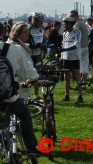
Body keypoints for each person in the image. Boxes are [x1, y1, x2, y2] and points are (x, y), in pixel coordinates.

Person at [0, 23, 44, 156]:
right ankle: (30, 147)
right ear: (3, 32)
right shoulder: (14, 48)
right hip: (7, 95)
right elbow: (30, 72)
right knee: (24, 114)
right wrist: (34, 78)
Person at [61, 16, 83, 104]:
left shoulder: (77, 32)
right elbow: (63, 45)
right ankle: (67, 95)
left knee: (77, 77)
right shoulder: (64, 33)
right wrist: (62, 55)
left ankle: (80, 96)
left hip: (74, 58)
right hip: (66, 58)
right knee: (66, 77)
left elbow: (76, 45)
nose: (65, 25)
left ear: (71, 24)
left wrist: (65, 50)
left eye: (66, 23)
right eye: (64, 23)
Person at [69, 10, 89, 84]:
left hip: (80, 47)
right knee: (84, 64)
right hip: (85, 46)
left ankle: (81, 82)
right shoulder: (82, 23)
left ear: (76, 16)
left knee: (79, 65)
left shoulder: (77, 24)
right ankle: (84, 81)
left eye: (72, 16)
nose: (70, 18)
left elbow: (75, 36)